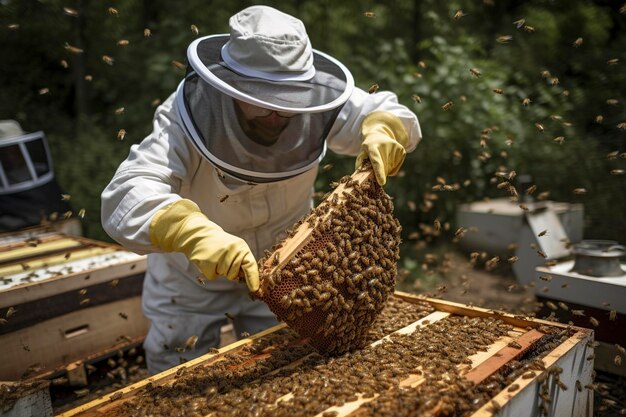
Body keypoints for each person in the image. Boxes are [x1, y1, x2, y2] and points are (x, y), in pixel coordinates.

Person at [101, 5, 422, 374]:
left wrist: (387, 128)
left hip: (289, 274)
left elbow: (388, 112)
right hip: (192, 277)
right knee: (176, 371)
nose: (277, 111)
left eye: (289, 96)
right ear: (230, 82)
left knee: (280, 373)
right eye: (260, 94)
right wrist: (189, 232)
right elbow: (126, 194)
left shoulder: (317, 102)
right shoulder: (183, 115)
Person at [0, 120, 81, 235]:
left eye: (13, 148)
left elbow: (58, 205)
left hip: (52, 230)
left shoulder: (40, 171)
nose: (10, 154)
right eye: (5, 151)